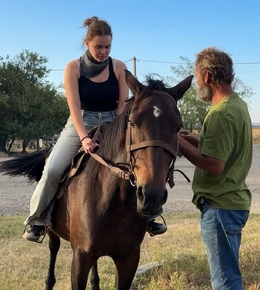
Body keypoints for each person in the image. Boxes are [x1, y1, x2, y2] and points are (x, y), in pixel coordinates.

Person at [23, 16, 167, 242]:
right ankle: (37, 219)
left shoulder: (119, 67)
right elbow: (74, 107)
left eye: (108, 46)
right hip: (81, 121)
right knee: (52, 170)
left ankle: (151, 216)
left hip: (113, 121)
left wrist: (120, 133)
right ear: (87, 43)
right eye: (98, 46)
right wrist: (83, 138)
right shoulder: (73, 67)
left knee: (136, 161)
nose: (103, 51)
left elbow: (122, 105)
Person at [178, 47, 253, 289]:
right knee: (228, 275)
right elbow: (223, 150)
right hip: (232, 203)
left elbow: (215, 165)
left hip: (220, 206)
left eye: (197, 76)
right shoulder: (237, 105)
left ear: (208, 77)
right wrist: (195, 140)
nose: (197, 81)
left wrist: (177, 141)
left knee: (224, 281)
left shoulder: (220, 113)